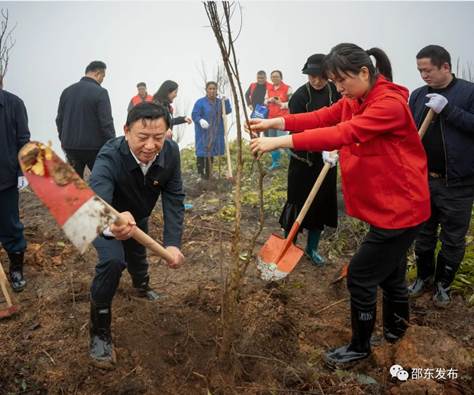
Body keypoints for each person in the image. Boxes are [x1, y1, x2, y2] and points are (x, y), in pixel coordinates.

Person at [248, 43, 430, 368]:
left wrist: (278, 142)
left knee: (360, 275)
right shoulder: (354, 99)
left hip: (400, 210)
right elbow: (322, 117)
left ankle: (360, 346)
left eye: (341, 80)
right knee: (391, 272)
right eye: (334, 82)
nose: (338, 88)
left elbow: (342, 132)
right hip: (388, 207)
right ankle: (395, 333)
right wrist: (275, 124)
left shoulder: (388, 105)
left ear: (364, 72)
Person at [88, 102, 185, 368]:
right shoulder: (109, 155)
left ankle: (141, 287)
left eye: (158, 137)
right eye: (142, 137)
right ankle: (99, 331)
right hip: (103, 217)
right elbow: (95, 202)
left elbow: (174, 197)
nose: (151, 146)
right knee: (113, 262)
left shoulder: (172, 154)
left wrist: (173, 244)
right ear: (126, 131)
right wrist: (112, 225)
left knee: (137, 255)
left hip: (138, 216)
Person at [408, 45, 474, 307]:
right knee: (423, 233)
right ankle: (423, 278)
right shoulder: (418, 95)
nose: (424, 76)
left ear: (445, 67)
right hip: (424, 179)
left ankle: (443, 285)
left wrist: (449, 110)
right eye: (420, 71)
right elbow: (410, 132)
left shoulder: (469, 93)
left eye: (428, 70)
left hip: (458, 183)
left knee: (453, 237)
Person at [280, 54, 341, 265]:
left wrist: (333, 147)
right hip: (303, 161)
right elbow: (299, 128)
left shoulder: (335, 92)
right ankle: (288, 245)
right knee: (296, 202)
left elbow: (342, 121)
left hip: (327, 161)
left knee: (321, 204)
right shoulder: (299, 97)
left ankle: (312, 248)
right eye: (313, 76)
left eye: (322, 77)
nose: (317, 81)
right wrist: (318, 145)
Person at [56, 61, 115, 178]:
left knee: (74, 184)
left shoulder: (67, 91)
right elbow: (106, 123)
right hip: (94, 148)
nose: (102, 80)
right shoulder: (101, 92)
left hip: (70, 146)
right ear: (98, 73)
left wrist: (64, 140)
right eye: (103, 77)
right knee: (103, 180)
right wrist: (112, 144)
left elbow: (59, 120)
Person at [0, 85, 30, 292]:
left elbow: (23, 141)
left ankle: (16, 268)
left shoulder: (14, 104)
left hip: (5, 178)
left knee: (10, 226)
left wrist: (22, 172)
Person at [191, 81, 232, 180]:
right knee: (202, 152)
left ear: (216, 90)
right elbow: (194, 114)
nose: (212, 91)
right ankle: (201, 174)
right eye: (210, 88)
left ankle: (209, 174)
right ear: (206, 90)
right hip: (203, 132)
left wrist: (226, 101)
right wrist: (200, 120)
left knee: (212, 152)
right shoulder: (200, 102)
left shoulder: (219, 102)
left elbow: (227, 111)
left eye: (214, 88)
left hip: (216, 131)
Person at [264, 70, 292, 170]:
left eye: (276, 76)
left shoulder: (288, 88)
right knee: (272, 142)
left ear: (281, 77)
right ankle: (276, 163)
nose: (274, 78)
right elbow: (265, 102)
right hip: (271, 119)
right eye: (272, 77)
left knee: (283, 142)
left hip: (282, 119)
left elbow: (291, 103)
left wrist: (280, 103)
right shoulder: (269, 89)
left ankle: (293, 160)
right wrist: (269, 100)